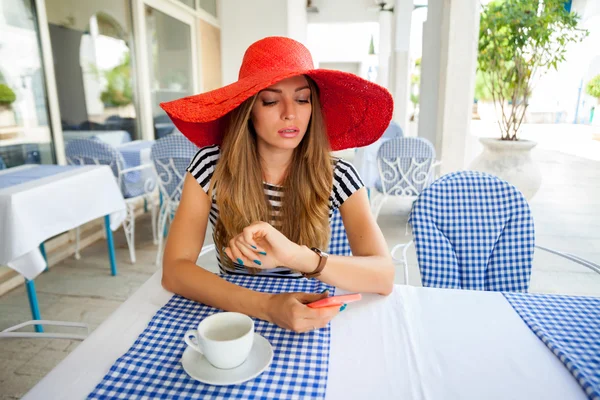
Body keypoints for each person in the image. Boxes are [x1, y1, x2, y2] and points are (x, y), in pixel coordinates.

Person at [160, 36, 395, 333]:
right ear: (249, 110)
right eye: (271, 100)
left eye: (302, 98)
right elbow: (174, 271)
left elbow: (384, 276)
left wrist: (297, 256)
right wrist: (268, 307)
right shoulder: (210, 166)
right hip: (234, 311)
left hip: (310, 315)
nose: (290, 113)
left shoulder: (340, 176)